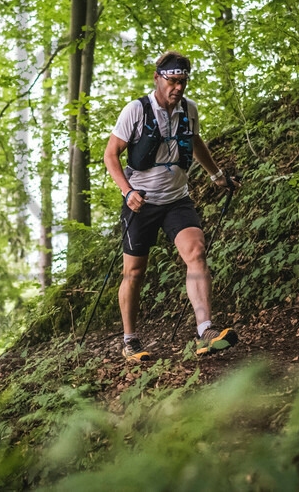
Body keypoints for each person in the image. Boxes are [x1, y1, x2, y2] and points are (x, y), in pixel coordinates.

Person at [103, 51, 240, 363]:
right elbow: (111, 154)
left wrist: (217, 176)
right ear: (158, 78)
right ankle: (130, 341)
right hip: (141, 203)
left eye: (183, 81)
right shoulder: (135, 111)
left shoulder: (189, 110)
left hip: (177, 199)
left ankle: (205, 330)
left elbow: (195, 141)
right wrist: (126, 192)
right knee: (134, 272)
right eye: (173, 81)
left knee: (196, 252)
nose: (178, 87)